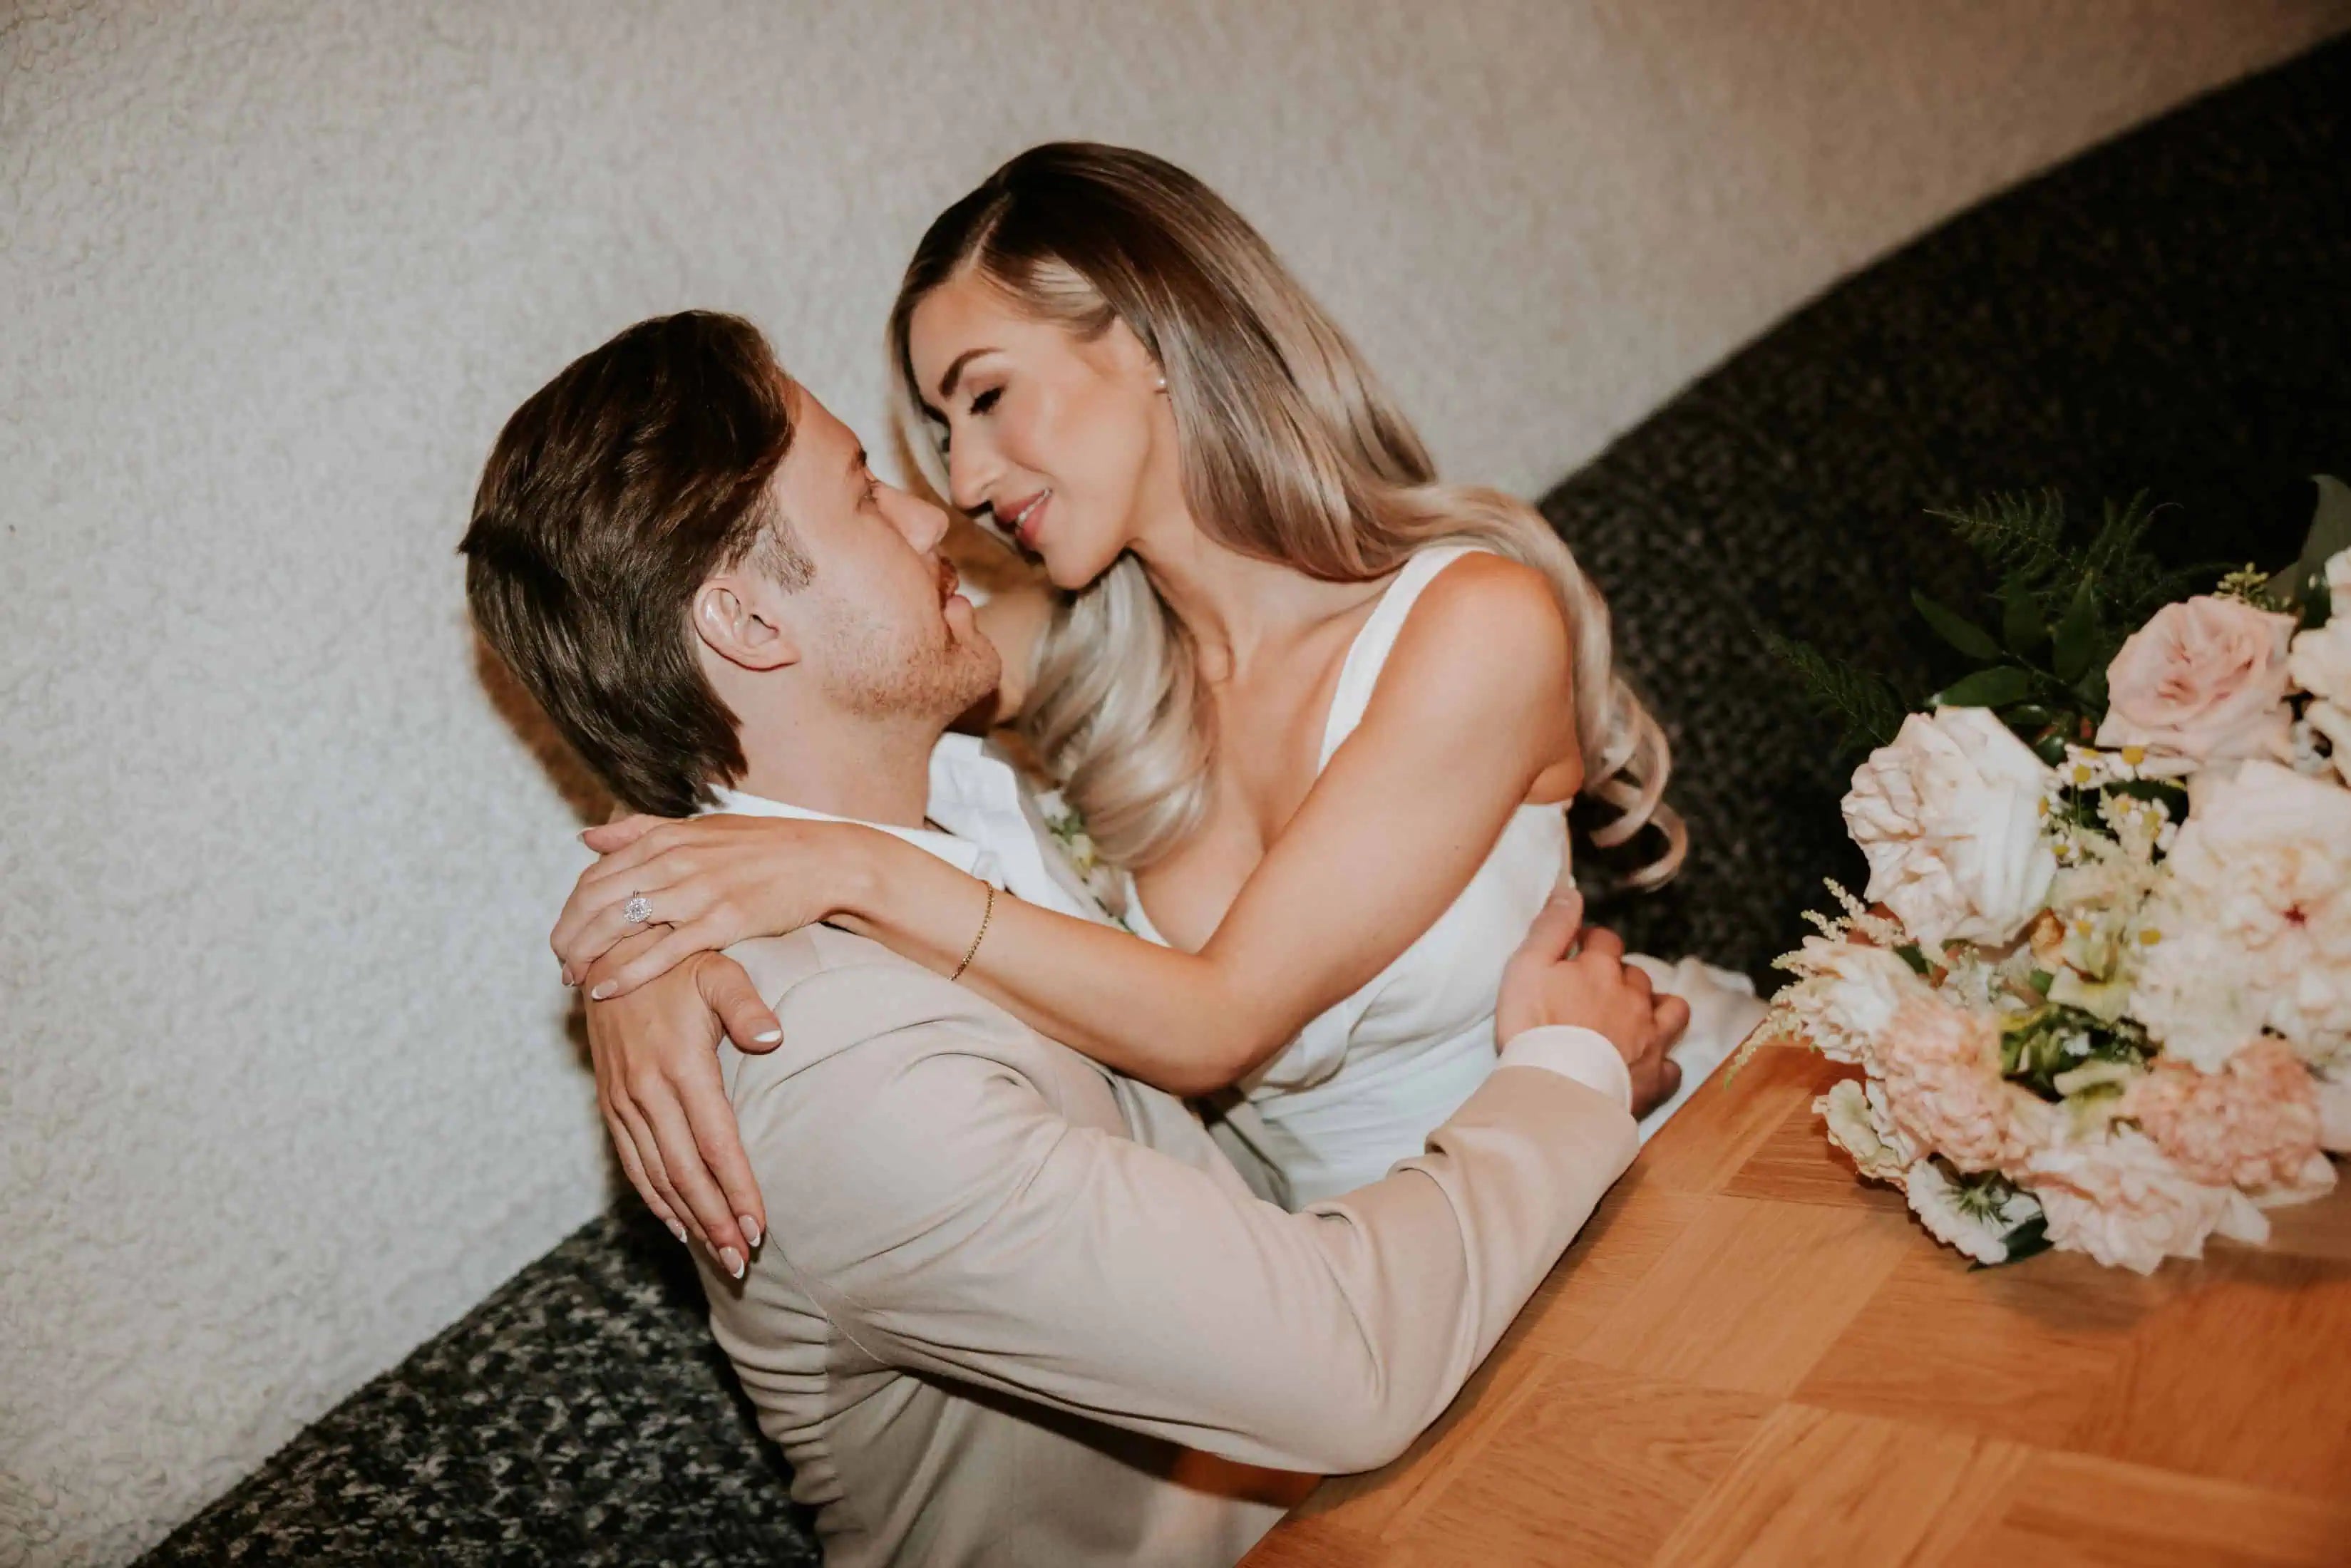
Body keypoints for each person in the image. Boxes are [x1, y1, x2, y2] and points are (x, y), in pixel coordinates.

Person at [463, 309, 1683, 1567]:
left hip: (1425, 1414)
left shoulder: (956, 786)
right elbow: (1344, 1368)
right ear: (749, 625)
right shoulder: (829, 1073)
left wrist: (642, 922)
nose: (936, 511)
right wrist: (1568, 1070)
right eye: (866, 492)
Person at [556, 143, 1762, 1257]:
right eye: (937, 428)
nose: (964, 481)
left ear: (1146, 341)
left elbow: (1218, 1021)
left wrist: (854, 872)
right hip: (1393, 1301)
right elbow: (745, 724)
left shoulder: (1470, 624)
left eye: (983, 397)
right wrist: (645, 960)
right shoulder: (1068, 650)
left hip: (1663, 1176)